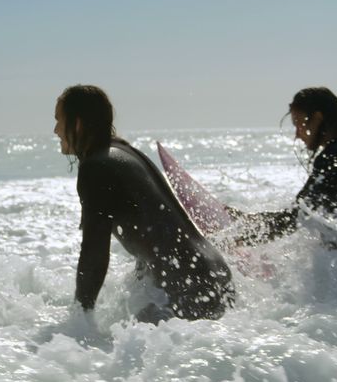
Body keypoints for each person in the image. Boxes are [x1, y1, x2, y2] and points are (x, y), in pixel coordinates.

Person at [54, 85, 235, 323]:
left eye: (59, 120)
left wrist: (79, 319)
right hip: (214, 273)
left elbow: (94, 252)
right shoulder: (125, 152)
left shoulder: (95, 167)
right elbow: (155, 232)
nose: (56, 130)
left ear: (77, 123)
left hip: (190, 288)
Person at [228, 87, 337, 274]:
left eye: (299, 124)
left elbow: (296, 217)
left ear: (317, 118)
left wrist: (241, 237)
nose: (297, 134)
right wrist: (251, 221)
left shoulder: (336, 156)